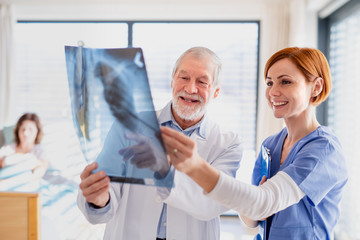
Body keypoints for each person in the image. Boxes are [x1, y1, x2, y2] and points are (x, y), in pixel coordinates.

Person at [161, 47, 348, 239]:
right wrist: (253, 206)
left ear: (316, 87)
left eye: (285, 82)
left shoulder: (324, 150)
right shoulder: (271, 145)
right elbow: (251, 218)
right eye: (269, 82)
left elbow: (262, 202)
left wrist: (196, 167)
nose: (273, 92)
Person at [77, 47, 243, 240]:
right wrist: (99, 200)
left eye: (202, 82)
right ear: (172, 82)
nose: (190, 89)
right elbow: (108, 186)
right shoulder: (129, 126)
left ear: (215, 92)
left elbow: (212, 204)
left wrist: (164, 170)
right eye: (184, 78)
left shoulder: (227, 144)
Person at [0, 113, 48, 178]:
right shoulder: (9, 148)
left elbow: (39, 172)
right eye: (23, 129)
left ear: (37, 132)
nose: (25, 133)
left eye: (30, 129)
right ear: (17, 131)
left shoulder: (40, 151)